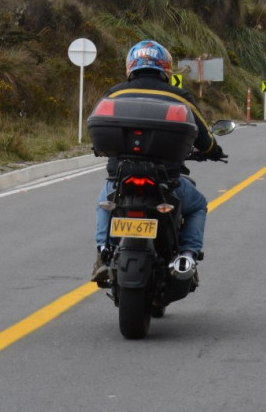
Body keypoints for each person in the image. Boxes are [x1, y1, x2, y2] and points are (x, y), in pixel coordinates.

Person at [91, 40, 226, 285]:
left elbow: (98, 126)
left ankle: (103, 252)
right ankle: (187, 256)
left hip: (121, 176)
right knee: (198, 205)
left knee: (105, 203)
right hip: (165, 179)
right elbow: (204, 136)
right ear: (165, 67)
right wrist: (213, 150)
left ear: (131, 65)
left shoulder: (115, 93)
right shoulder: (178, 96)